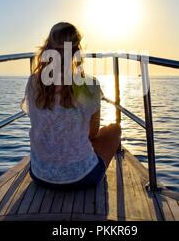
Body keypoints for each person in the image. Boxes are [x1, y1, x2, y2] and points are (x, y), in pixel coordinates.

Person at [21, 22, 121, 190]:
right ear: (77, 51)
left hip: (39, 175)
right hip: (83, 178)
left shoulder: (33, 82)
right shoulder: (89, 85)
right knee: (113, 130)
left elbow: (37, 120)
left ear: (47, 48)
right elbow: (93, 133)